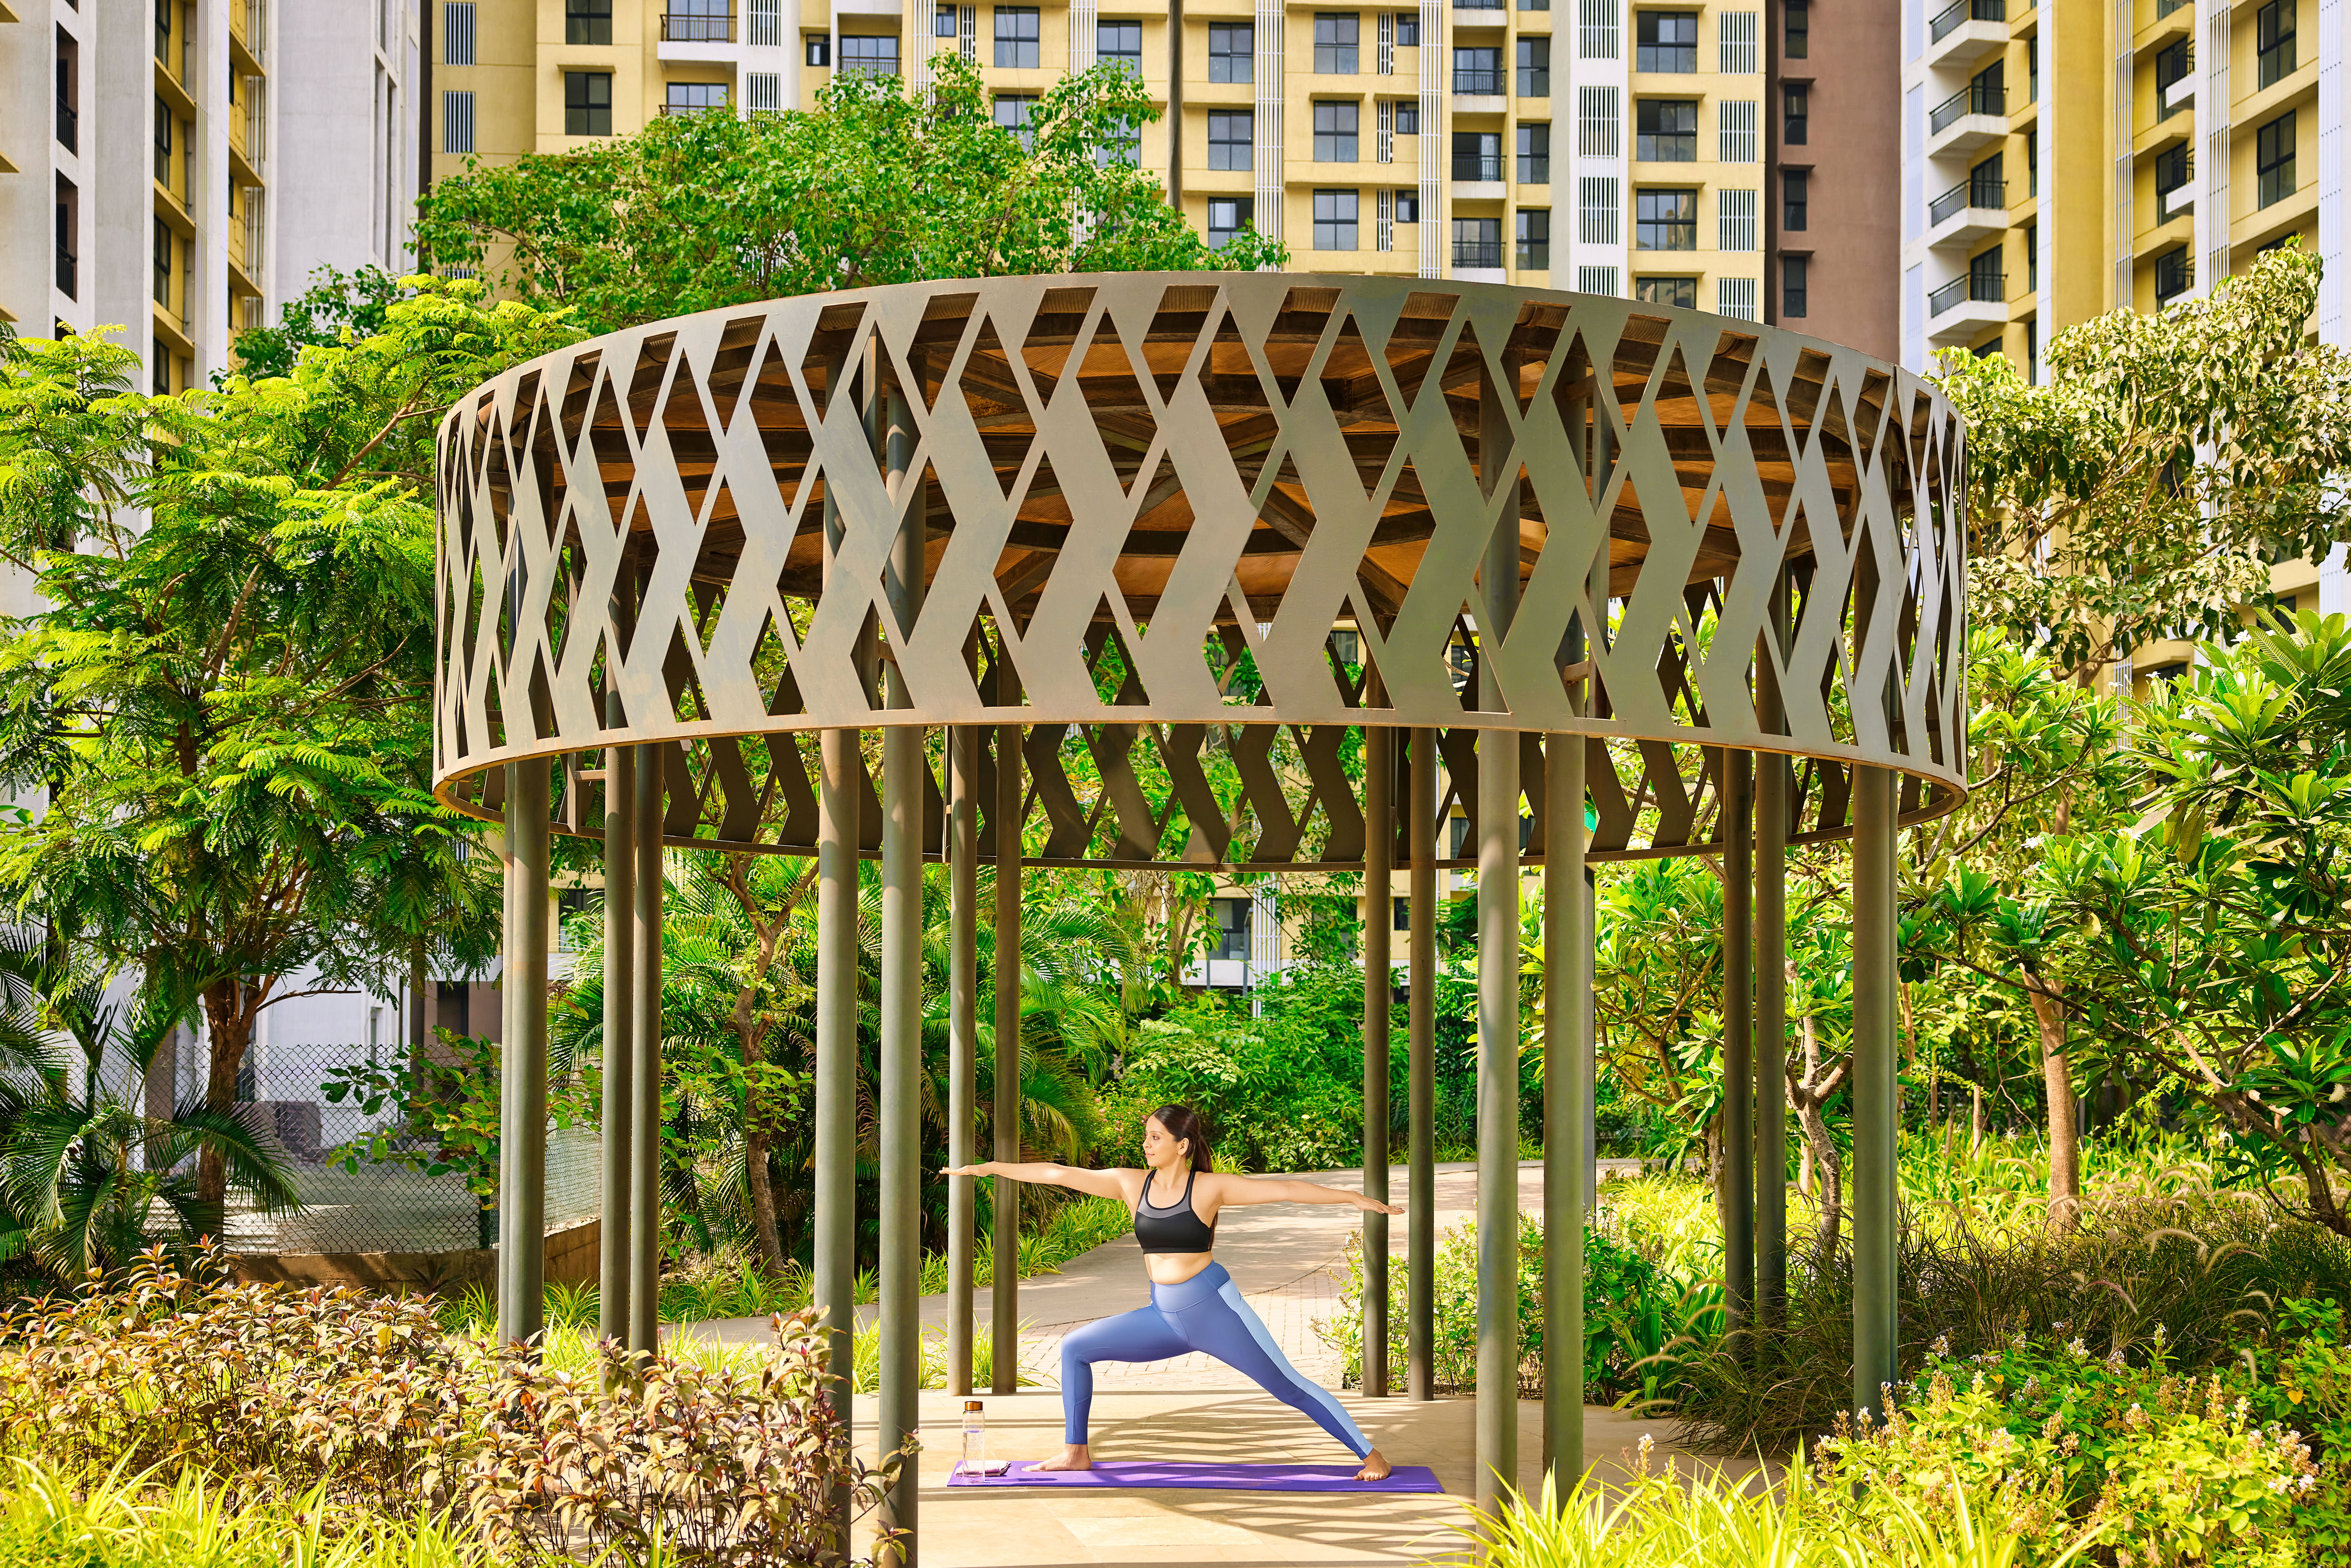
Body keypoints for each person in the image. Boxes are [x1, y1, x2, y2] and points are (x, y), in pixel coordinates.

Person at [942, 1103, 1405, 1481]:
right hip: (1162, 1316)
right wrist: (988, 1169)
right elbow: (1057, 1174)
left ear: (1182, 1146)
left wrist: (1353, 1199)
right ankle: (1075, 1453)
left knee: (1287, 1386)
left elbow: (1284, 1189)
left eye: (1155, 1137)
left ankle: (1371, 1455)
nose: (1146, 1144)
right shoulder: (1129, 1184)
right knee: (1075, 1348)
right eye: (1145, 1136)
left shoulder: (1209, 1188)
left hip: (1213, 1309)